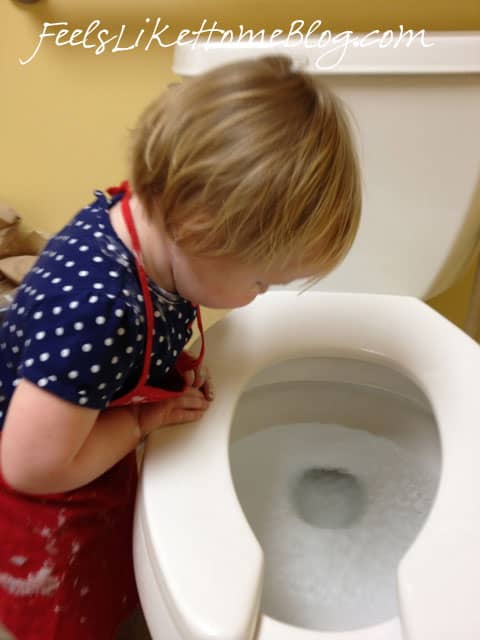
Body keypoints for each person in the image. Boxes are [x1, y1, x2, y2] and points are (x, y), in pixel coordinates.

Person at [0, 54, 361, 639]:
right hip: (47, 502)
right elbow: (31, 468)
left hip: (78, 429)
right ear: (195, 229)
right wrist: (145, 421)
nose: (259, 296)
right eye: (262, 281)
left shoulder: (142, 221)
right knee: (68, 615)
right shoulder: (98, 313)